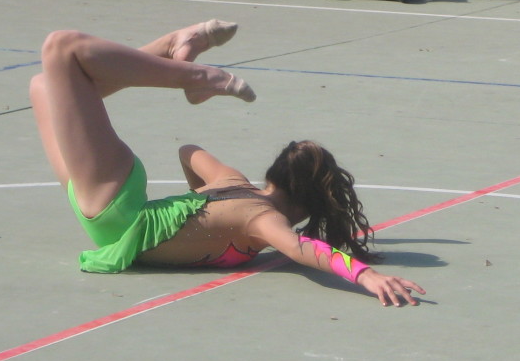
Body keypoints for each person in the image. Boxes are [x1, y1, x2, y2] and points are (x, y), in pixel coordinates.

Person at [28, 22, 423, 305]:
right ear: (305, 206)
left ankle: (172, 47)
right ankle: (193, 73)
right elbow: (304, 249)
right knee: (61, 50)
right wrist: (365, 274)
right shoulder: (263, 220)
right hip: (113, 210)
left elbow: (189, 151)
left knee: (49, 83)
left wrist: (193, 206)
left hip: (113, 209)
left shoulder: (235, 183)